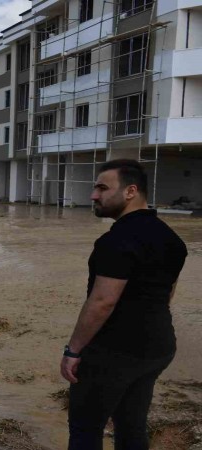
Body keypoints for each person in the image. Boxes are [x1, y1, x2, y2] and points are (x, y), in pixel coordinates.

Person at [61, 159, 187, 449]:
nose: (93, 195)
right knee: (132, 425)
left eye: (102, 188)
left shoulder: (116, 240)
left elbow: (102, 302)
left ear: (130, 191)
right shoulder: (173, 239)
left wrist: (73, 350)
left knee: (85, 429)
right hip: (158, 348)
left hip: (114, 351)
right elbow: (167, 294)